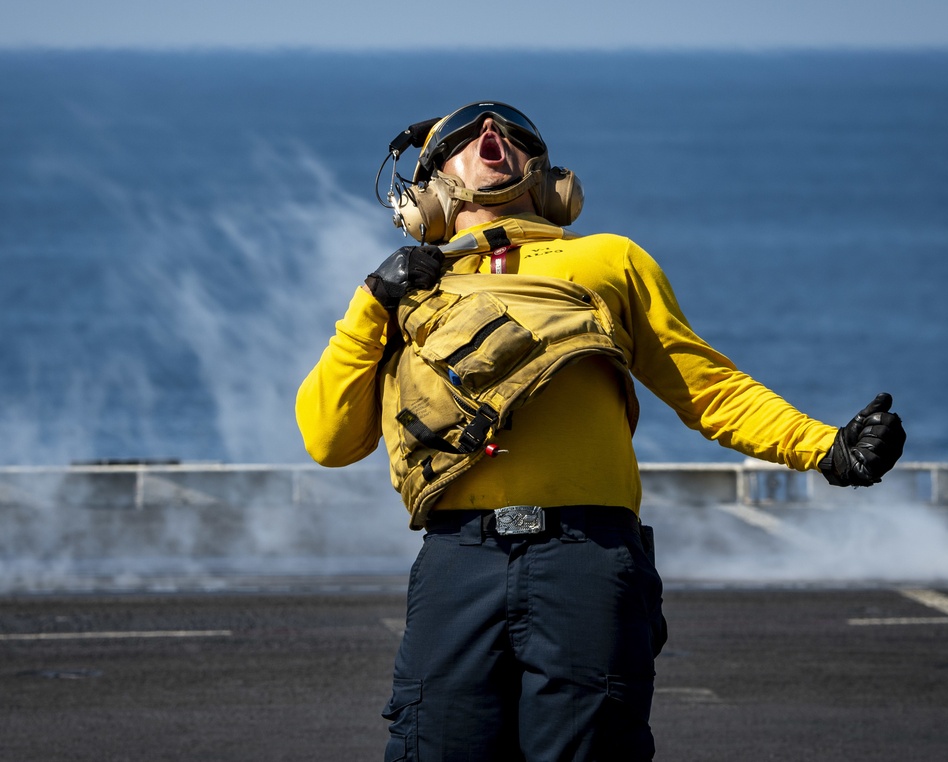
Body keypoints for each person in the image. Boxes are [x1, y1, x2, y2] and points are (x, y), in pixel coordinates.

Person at [295, 101, 906, 761]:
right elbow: (329, 441)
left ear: (550, 179)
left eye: (512, 131)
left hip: (586, 558)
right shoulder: (406, 295)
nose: (492, 133)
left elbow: (709, 389)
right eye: (466, 134)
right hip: (457, 561)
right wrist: (372, 302)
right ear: (425, 195)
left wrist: (828, 448)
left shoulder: (609, 262)